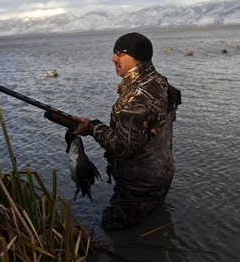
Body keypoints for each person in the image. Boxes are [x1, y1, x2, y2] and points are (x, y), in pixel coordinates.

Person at [73, 32, 181, 230]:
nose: (113, 58)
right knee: (152, 227)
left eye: (120, 53)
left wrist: (91, 127)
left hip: (138, 188)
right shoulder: (159, 82)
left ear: (136, 57)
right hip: (162, 176)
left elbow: (122, 147)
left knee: (111, 230)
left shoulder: (137, 97)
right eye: (114, 52)